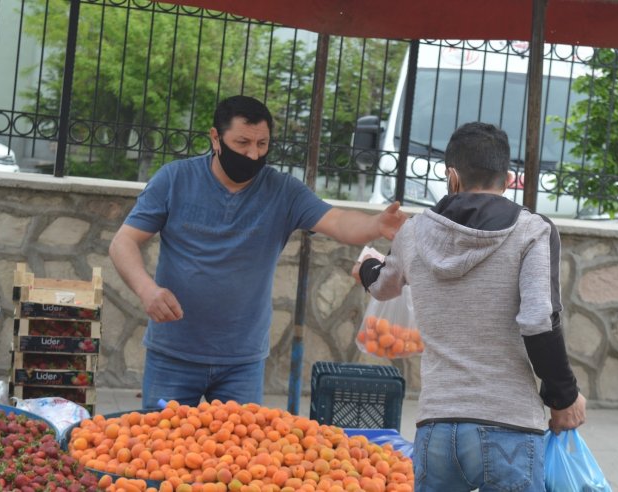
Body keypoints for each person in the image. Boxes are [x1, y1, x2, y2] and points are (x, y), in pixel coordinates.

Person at [109, 95, 407, 409]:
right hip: (173, 354)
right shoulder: (174, 179)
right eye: (242, 143)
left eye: (262, 144)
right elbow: (123, 242)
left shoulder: (283, 191)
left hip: (242, 361)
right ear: (215, 138)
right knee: (159, 450)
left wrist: (376, 223)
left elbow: (338, 221)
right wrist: (147, 290)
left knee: (241, 455)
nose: (253, 154)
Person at [352, 122, 586, 491]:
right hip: (508, 425)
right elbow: (539, 321)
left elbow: (382, 285)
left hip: (438, 429)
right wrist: (564, 397)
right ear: (507, 179)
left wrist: (365, 267)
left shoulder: (412, 233)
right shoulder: (532, 231)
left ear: (452, 177)